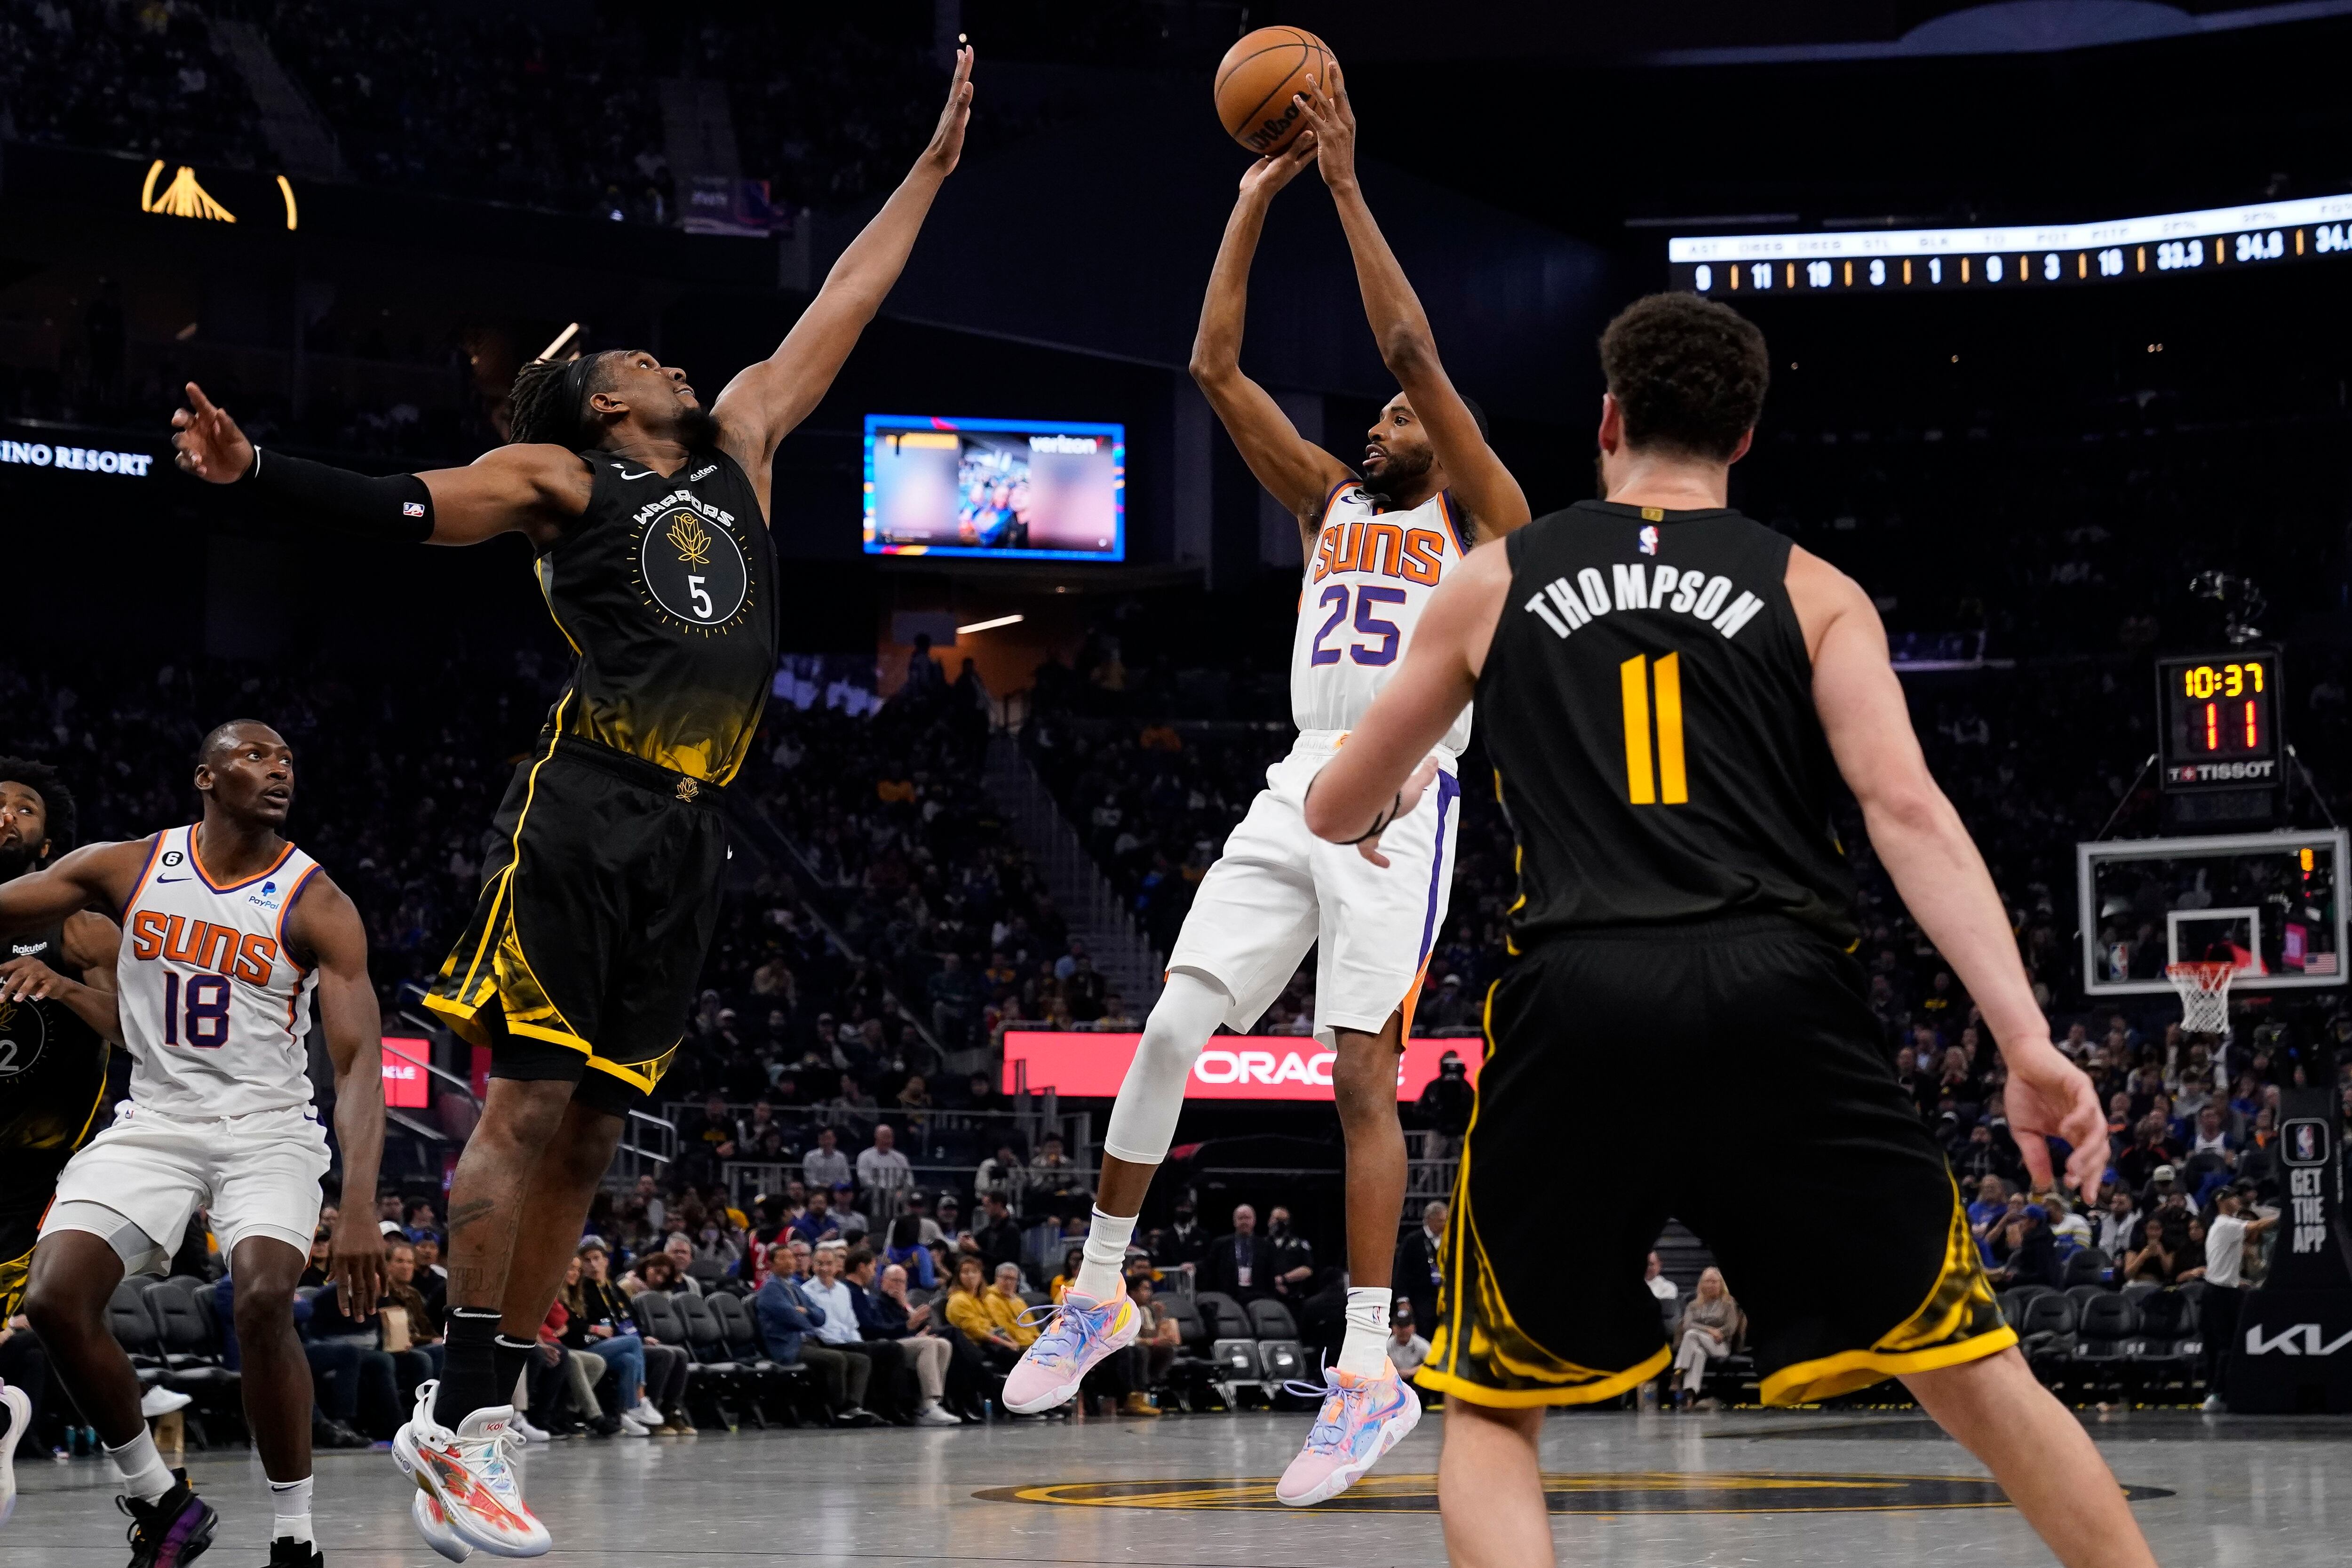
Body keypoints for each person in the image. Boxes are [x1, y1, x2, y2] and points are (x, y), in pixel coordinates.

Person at [160, 51, 977, 1562]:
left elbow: (843, 306)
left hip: (693, 831)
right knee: (528, 1103)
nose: (675, 365)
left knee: (597, 1137)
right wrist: (256, 466)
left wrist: (929, 167)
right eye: (644, 360)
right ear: (607, 403)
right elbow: (412, 503)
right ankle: (455, 1409)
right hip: (586, 805)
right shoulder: (563, 477)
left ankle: (488, 1415)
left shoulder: (739, 447)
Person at [1300, 290, 2157, 1568]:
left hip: (1579, 997)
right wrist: (2026, 1041)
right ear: (1745, 437)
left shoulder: (1493, 580)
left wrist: (1400, 784)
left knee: (1494, 1408)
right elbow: (1906, 810)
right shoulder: (1816, 591)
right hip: (1782, 991)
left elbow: (1334, 806)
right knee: (1975, 1367)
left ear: (1608, 420)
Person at [1006, 63, 1529, 1513]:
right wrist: (1250, 200)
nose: (1380, 423)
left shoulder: (1488, 515)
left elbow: (1412, 342)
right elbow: (1211, 367)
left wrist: (1346, 185)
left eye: (1400, 416)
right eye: (1377, 415)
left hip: (1403, 798)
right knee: (1170, 1022)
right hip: (1297, 778)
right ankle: (1099, 1288)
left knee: (1360, 1075)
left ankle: (1366, 1368)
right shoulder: (1326, 502)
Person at [8, 723, 387, 1568]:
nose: (279, 770)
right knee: (56, 1298)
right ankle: (161, 1500)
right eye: (256, 756)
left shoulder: (317, 900)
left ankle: (295, 1537)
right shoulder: (131, 865)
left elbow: (360, 1065)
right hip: (156, 1120)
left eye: (287, 760)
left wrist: (358, 1204)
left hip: (268, 1131)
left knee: (262, 1299)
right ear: (206, 777)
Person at [0, 757, 118, 1510]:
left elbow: (136, 1030)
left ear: (48, 846)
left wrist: (67, 987)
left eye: (24, 808)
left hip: (37, 1173)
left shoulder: (79, 928)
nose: (5, 815)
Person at [752, 1248, 878, 1426]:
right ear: (771, 1264)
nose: (790, 1262)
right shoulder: (770, 1290)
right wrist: (807, 1315)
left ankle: (853, 1407)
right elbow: (794, 1318)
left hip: (809, 1343)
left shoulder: (794, 1287)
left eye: (791, 1258)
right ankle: (838, 1410)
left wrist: (807, 1312)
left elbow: (821, 1316)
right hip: (790, 1348)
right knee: (837, 1359)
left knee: (861, 1360)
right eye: (782, 1259)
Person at [842, 1249, 958, 1426]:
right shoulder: (873, 1299)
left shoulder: (886, 1299)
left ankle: (931, 1402)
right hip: (881, 1342)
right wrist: (908, 1328)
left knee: (943, 1344)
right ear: (883, 1281)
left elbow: (911, 1326)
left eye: (902, 1282)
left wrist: (908, 1318)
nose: (898, 1286)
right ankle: (928, 1406)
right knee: (928, 1344)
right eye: (894, 1281)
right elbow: (875, 1328)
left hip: (899, 1339)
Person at [2189, 1183, 2277, 1412]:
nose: (2237, 1200)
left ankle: (2219, 1391)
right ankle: (2216, 1394)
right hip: (2219, 1293)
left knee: (2223, 1345)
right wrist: (2286, 1214)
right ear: (2221, 1201)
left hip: (2223, 1289)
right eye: (2232, 1197)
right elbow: (2259, 1225)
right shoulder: (2225, 1224)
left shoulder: (2225, 1224)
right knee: (2225, 1345)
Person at [1669, 1269, 1744, 1409]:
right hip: (1698, 1344)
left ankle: (1679, 1373)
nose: (1711, 1285)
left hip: (1720, 1345)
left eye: (1714, 1282)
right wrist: (1710, 1330)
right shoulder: (1693, 1305)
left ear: (1721, 1284)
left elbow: (1731, 1328)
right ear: (1702, 1284)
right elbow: (1687, 1325)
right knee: (1698, 1353)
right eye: (1708, 1281)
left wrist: (1719, 1332)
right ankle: (1690, 1396)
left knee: (1691, 1335)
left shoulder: (1728, 1303)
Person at [1200, 1204, 1277, 1303]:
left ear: (1254, 1221)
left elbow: (1270, 1276)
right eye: (1241, 1218)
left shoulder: (1267, 1246)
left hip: (1258, 1296)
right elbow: (1209, 1271)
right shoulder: (1220, 1244)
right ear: (1234, 1221)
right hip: (1227, 1297)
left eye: (1248, 1218)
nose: (1244, 1222)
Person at [1387, 1302, 1433, 1380]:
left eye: (1406, 1326)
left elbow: (1432, 1364)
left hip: (1415, 1380)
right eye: (1400, 1326)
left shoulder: (1421, 1345)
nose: (1403, 1330)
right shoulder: (1388, 1344)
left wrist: (1412, 1372)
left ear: (1413, 1327)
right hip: (1393, 1379)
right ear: (1393, 1328)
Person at [802, 1127, 852, 1193]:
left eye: (829, 1138)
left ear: (835, 1139)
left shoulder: (841, 1157)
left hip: (837, 1191)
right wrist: (822, 1186)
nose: (826, 1142)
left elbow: (846, 1178)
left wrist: (836, 1186)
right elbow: (809, 1180)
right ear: (819, 1140)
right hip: (817, 1191)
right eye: (823, 1139)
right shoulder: (810, 1156)